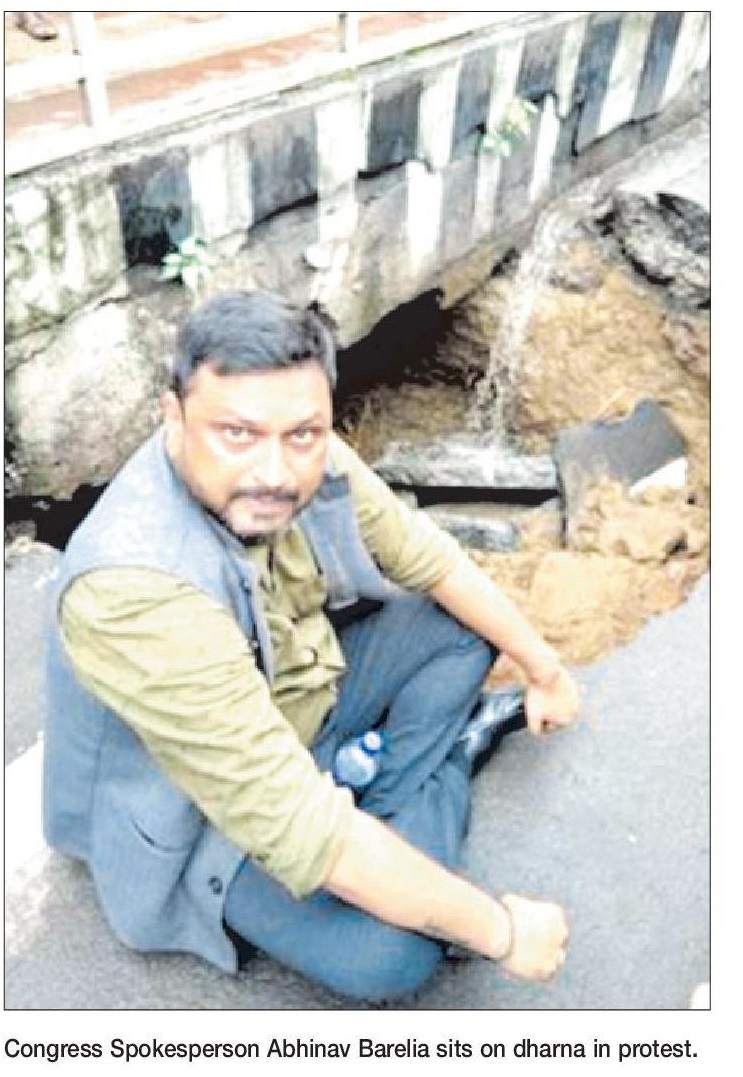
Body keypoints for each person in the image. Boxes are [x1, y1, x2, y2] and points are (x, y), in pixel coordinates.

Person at [44, 289, 579, 1003]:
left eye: (302, 433)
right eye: (235, 433)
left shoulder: (307, 453)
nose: (274, 471)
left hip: (302, 699)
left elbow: (431, 559)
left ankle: (386, 819)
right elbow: (287, 818)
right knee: (387, 957)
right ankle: (430, 779)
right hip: (197, 803)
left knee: (460, 627)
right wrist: (502, 931)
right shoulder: (133, 585)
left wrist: (545, 670)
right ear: (172, 417)